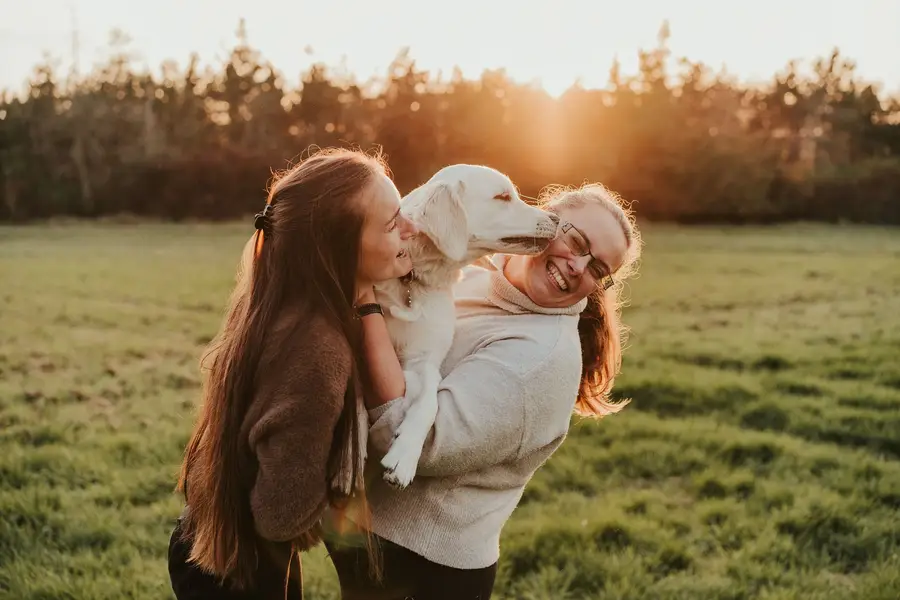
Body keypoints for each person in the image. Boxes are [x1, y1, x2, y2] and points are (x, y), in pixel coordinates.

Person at [325, 183, 643, 600]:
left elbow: (412, 441)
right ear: (544, 221)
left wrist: (364, 303)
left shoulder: (541, 360)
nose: (576, 266)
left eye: (598, 269)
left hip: (423, 566)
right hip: (368, 535)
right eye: (576, 241)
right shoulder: (464, 277)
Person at [167, 147, 418, 600]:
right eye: (391, 223)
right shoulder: (317, 350)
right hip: (240, 573)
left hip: (213, 541)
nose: (411, 228)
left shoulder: (276, 302)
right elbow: (281, 515)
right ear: (338, 249)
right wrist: (350, 500)